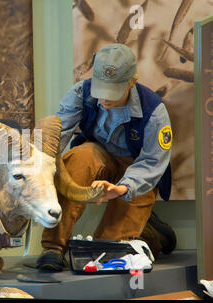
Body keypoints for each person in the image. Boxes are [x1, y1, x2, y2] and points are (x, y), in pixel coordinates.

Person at [36, 43, 175, 272]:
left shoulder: (154, 112)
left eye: (113, 93)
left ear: (132, 81)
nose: (104, 100)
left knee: (106, 256)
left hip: (136, 170)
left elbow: (152, 162)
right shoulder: (82, 93)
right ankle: (53, 247)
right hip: (98, 155)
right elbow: (56, 137)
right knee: (78, 158)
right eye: (101, 90)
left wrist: (123, 188)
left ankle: (153, 235)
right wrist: (37, 169)